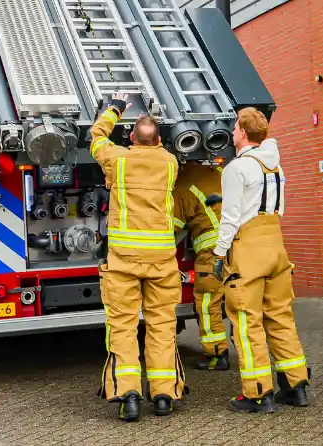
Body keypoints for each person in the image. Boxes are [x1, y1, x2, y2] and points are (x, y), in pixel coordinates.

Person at [90, 92, 184, 421]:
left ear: (131, 138)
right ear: (159, 139)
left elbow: (97, 137)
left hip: (123, 262)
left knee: (123, 326)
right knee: (161, 326)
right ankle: (163, 395)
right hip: (161, 262)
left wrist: (113, 109)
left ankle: (128, 394)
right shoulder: (170, 163)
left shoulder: (118, 160)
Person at [213, 107, 310, 412]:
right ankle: (296, 386)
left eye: (234, 128)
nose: (231, 132)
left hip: (248, 248)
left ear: (242, 132)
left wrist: (219, 253)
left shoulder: (236, 169)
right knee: (280, 315)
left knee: (246, 319)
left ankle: (257, 393)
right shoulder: (277, 167)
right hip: (276, 244)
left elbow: (230, 218)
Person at [171, 160, 231, 370]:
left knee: (208, 303)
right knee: (241, 300)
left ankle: (216, 354)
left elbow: (172, 227)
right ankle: (246, 350)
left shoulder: (183, 184)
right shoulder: (222, 171)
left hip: (212, 254)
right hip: (242, 246)